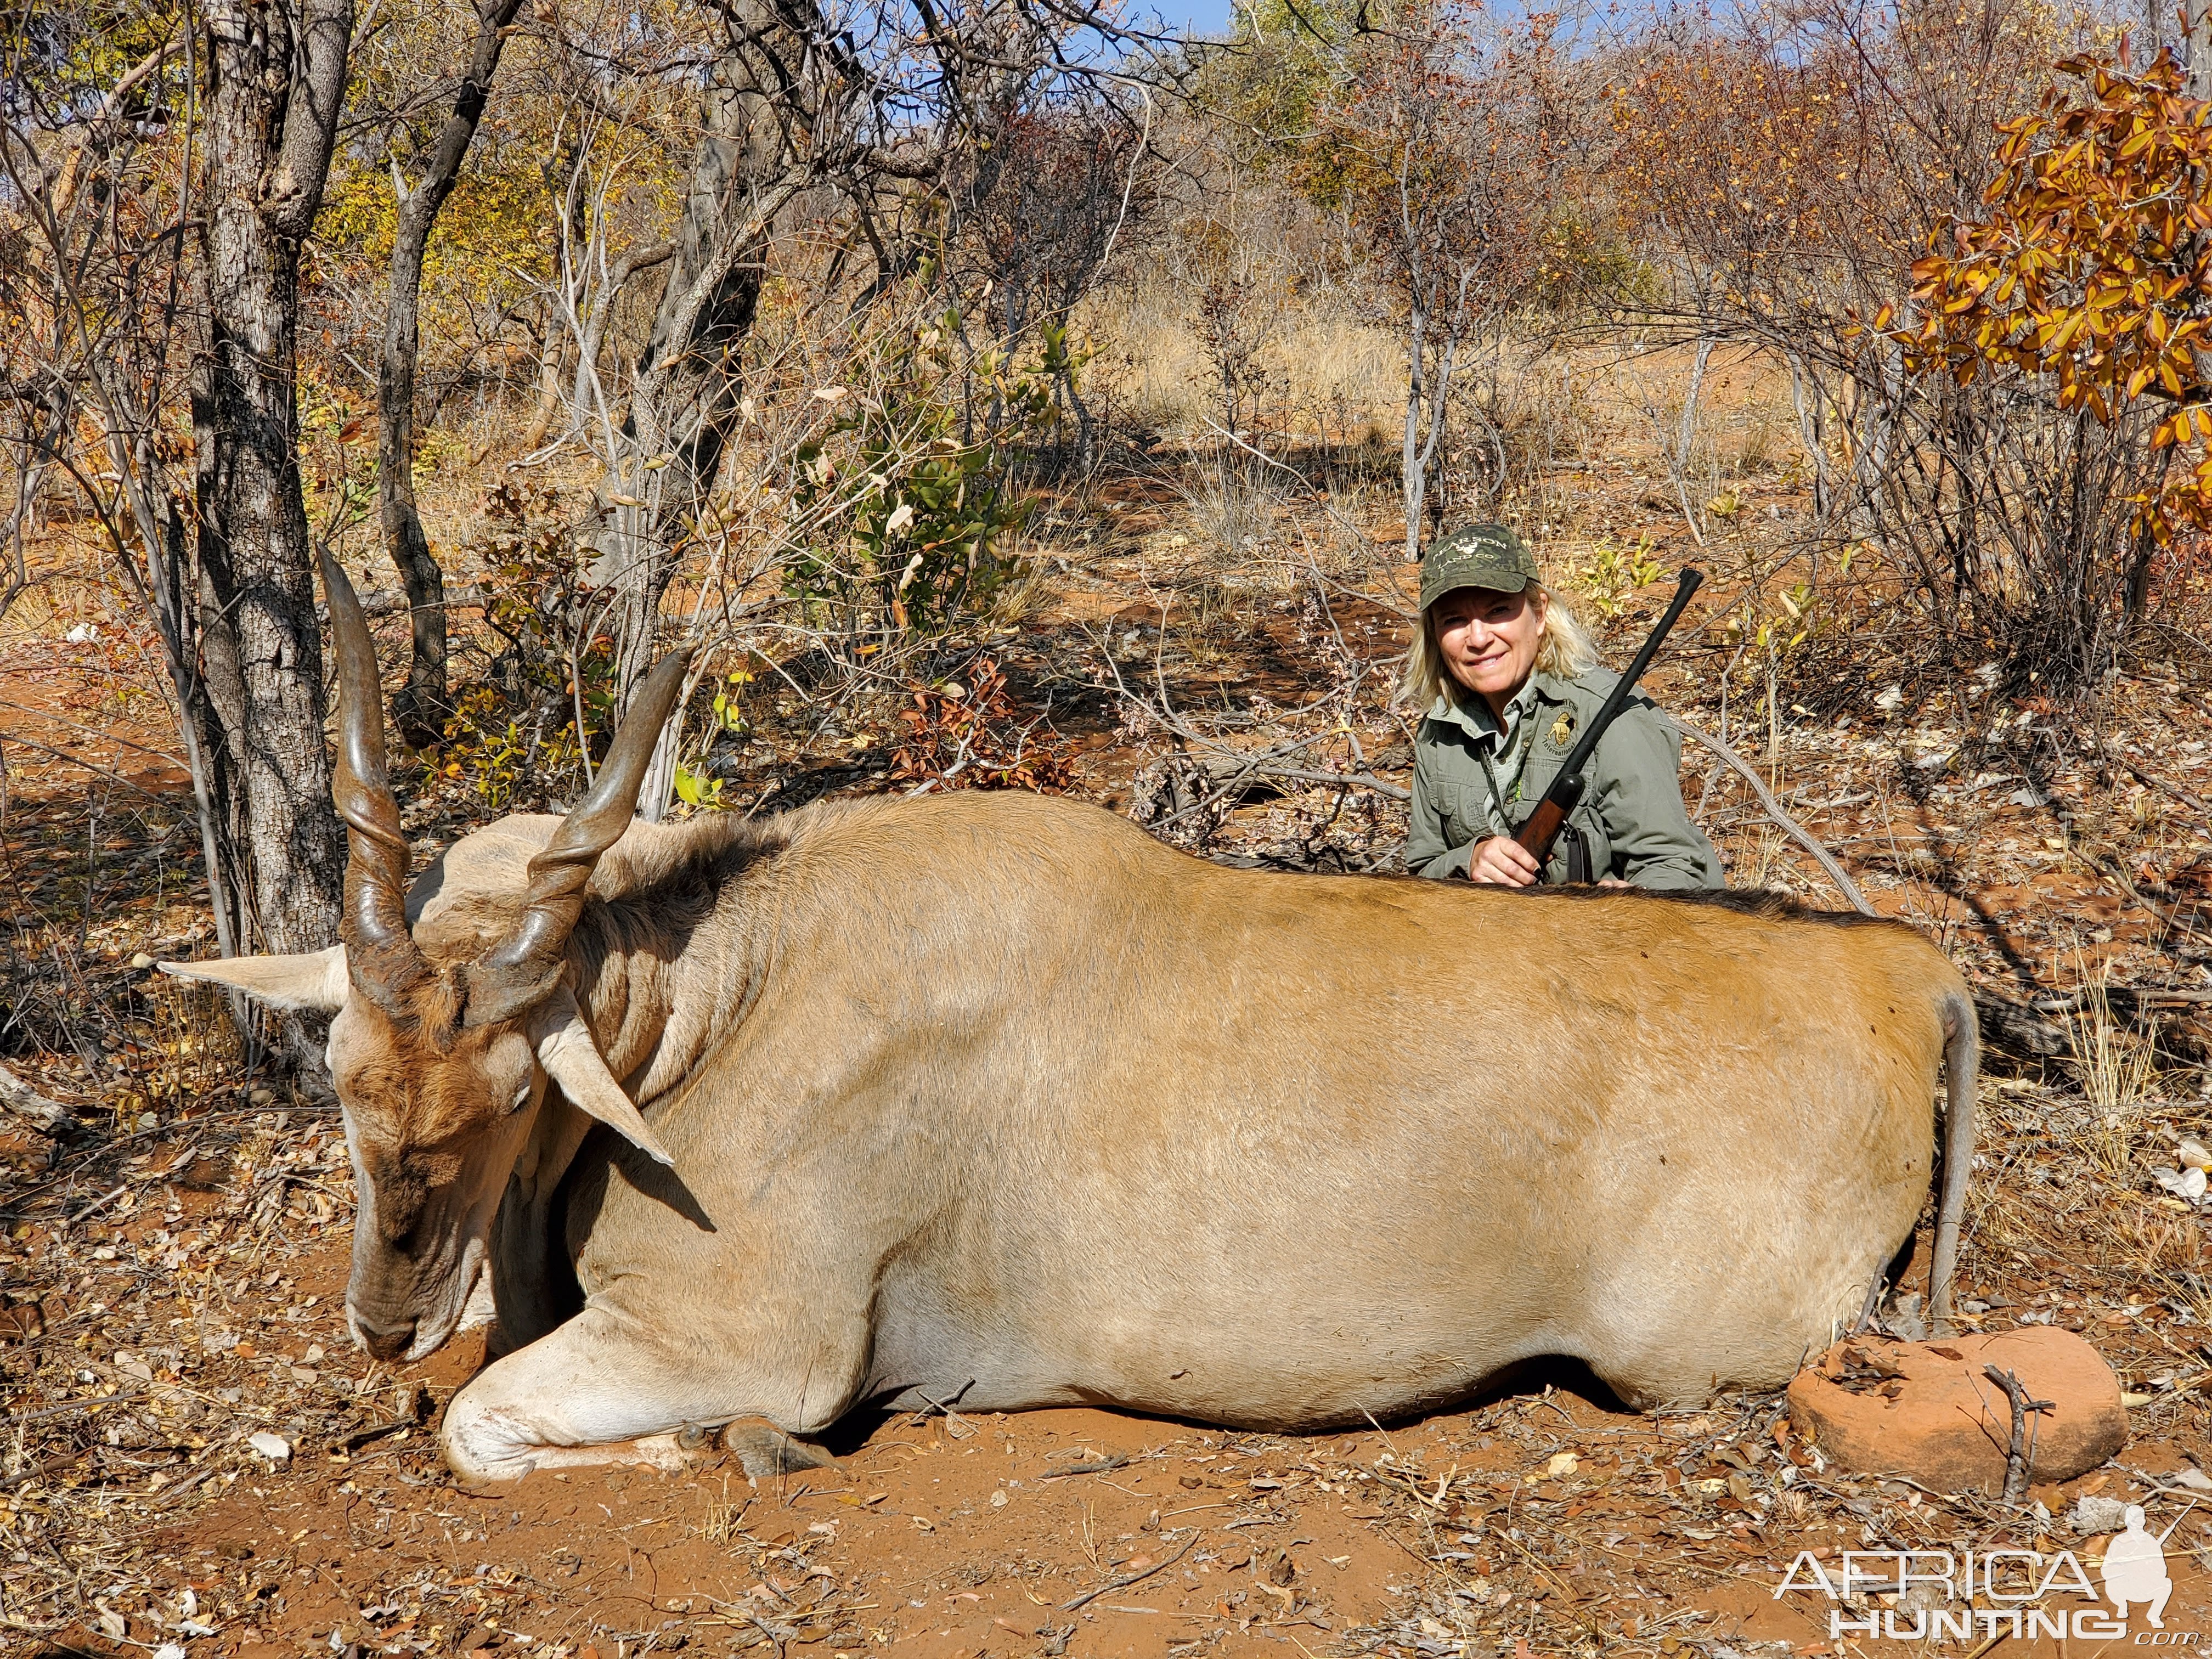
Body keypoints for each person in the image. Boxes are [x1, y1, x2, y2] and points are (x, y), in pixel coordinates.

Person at [1401, 523, 1723, 890]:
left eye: (1498, 611)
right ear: (1436, 634)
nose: (1478, 638)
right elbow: (1423, 870)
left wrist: (1636, 901)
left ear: (1539, 615)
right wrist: (1469, 860)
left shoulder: (1613, 714)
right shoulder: (1438, 733)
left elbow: (1676, 866)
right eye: (1454, 620)